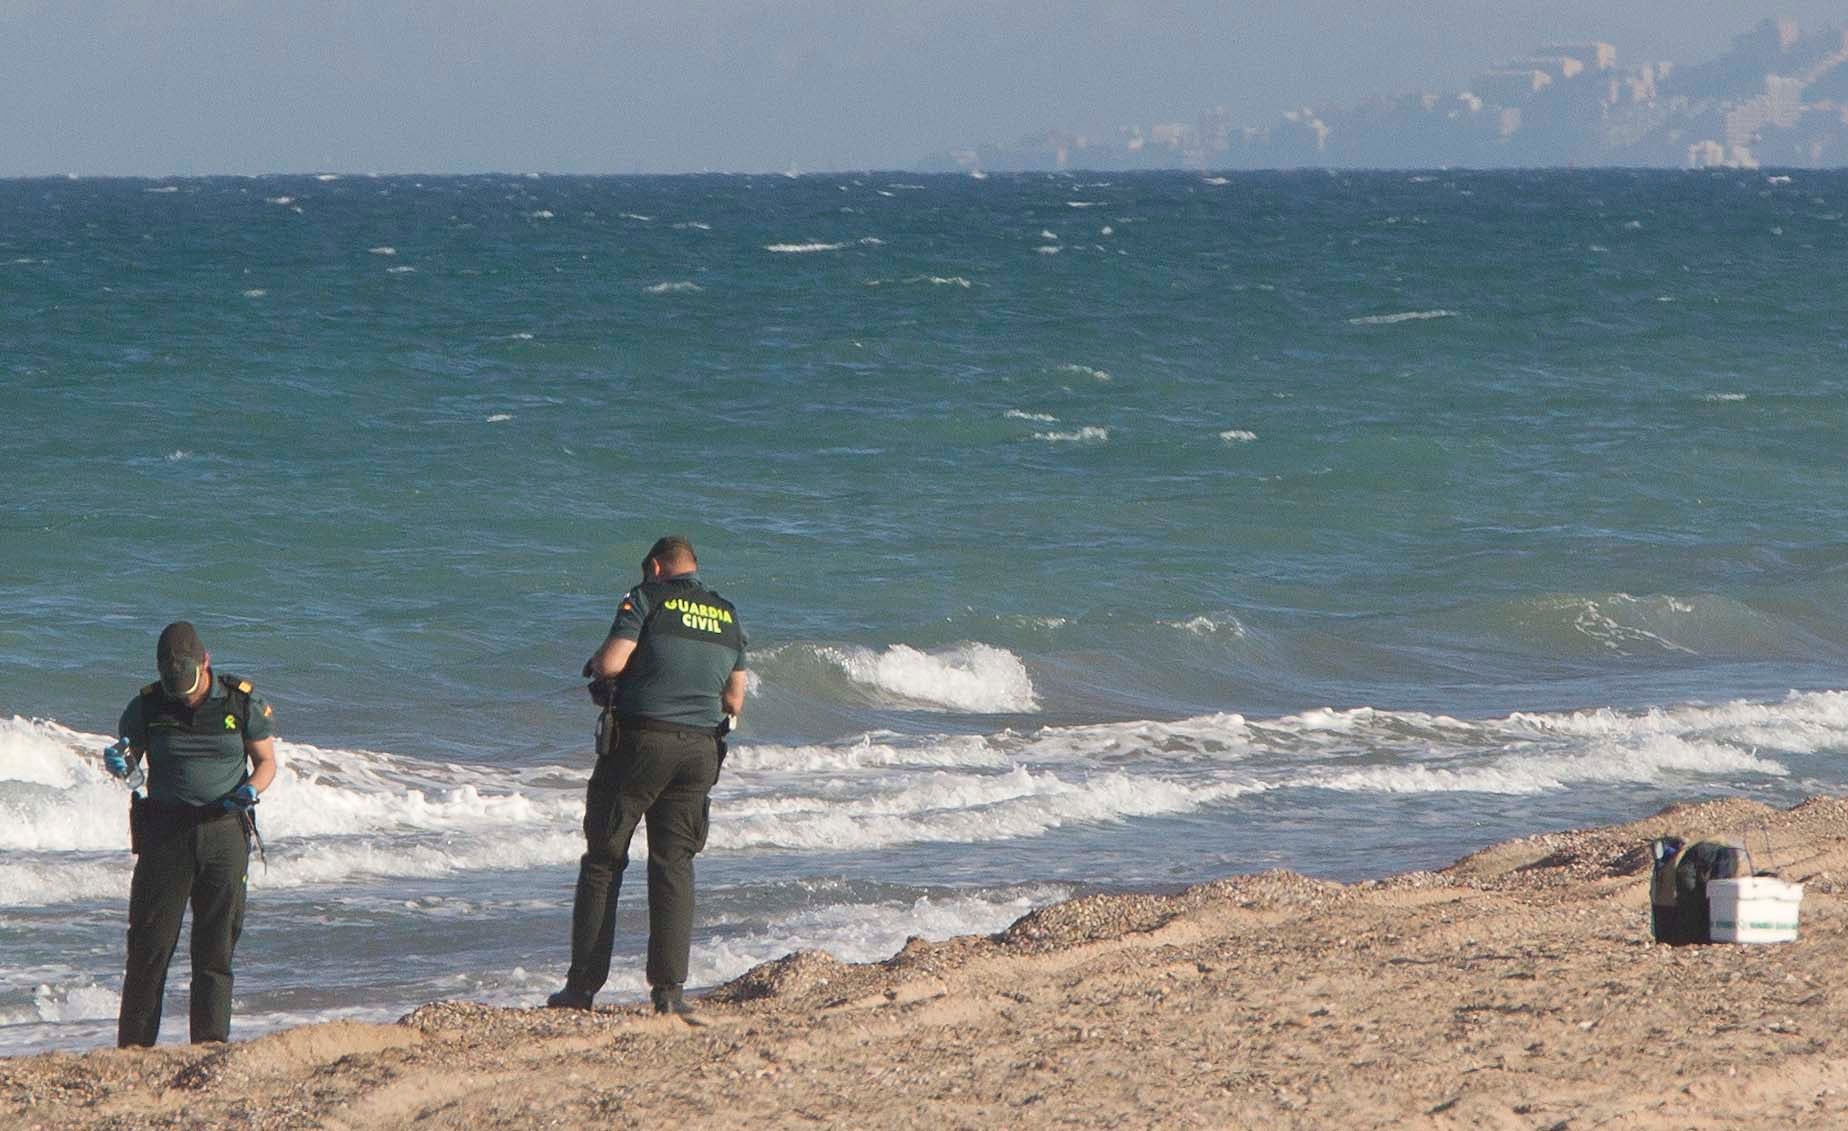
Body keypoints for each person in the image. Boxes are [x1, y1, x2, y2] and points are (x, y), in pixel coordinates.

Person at [549, 535, 747, 1016]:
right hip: (701, 750)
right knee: (673, 864)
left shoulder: (644, 599)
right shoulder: (727, 614)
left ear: (656, 568)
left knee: (604, 860)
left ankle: (581, 989)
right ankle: (669, 992)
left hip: (641, 744)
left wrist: (597, 667)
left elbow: (613, 661)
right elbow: (735, 700)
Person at [104, 621, 277, 1047]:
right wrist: (122, 766)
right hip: (165, 835)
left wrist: (252, 788)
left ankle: (210, 1046)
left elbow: (266, 761)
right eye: (173, 685)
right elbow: (133, 764)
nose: (181, 693)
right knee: (149, 948)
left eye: (189, 683)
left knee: (215, 950)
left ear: (206, 661)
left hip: (224, 832)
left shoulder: (241, 701)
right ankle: (134, 1050)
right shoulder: (145, 707)